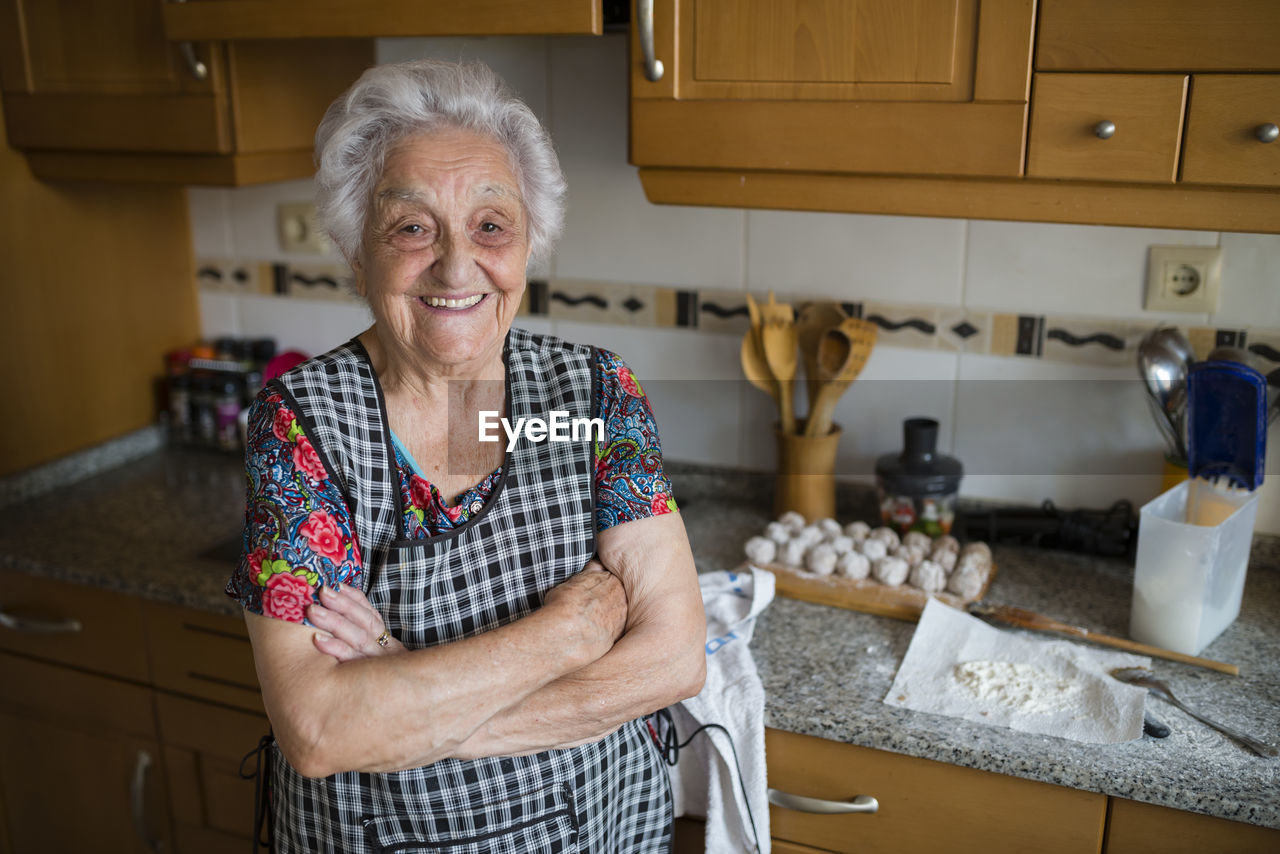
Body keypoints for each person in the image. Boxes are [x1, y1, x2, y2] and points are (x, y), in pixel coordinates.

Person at [226, 58, 706, 853]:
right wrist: (569, 635)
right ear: (357, 251)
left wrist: (414, 709)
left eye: (491, 225)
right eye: (412, 227)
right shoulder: (302, 426)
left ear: (528, 245)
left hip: (604, 828)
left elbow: (675, 658)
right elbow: (318, 732)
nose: (456, 265)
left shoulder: (593, 397)